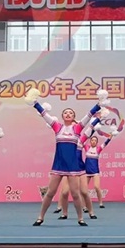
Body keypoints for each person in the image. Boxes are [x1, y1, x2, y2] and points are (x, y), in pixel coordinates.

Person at [28, 88, 104, 226]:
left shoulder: (77, 128)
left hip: (72, 167)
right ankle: (40, 217)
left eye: (71, 113)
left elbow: (89, 115)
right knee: (50, 193)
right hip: (58, 165)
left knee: (75, 194)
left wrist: (99, 104)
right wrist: (35, 103)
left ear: (73, 116)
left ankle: (80, 218)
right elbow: (44, 114)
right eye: (65, 112)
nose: (68, 114)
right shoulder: (57, 127)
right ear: (62, 116)